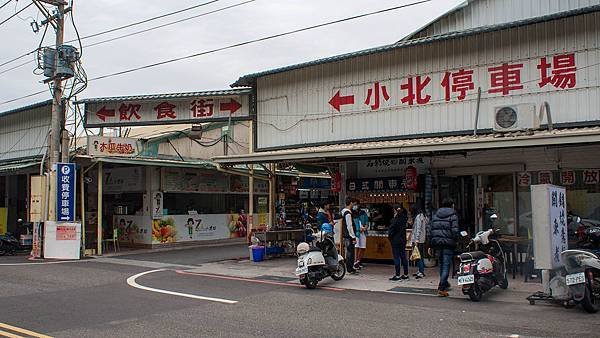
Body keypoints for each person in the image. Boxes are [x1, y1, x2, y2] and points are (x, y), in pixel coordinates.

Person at [427, 198, 460, 297]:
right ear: (452, 205)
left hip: (437, 243)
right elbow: (454, 231)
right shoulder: (453, 215)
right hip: (448, 243)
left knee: (441, 264)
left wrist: (431, 243)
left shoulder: (436, 214)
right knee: (446, 265)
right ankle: (441, 287)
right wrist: (456, 240)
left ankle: (444, 283)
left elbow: (431, 229)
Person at [388, 206, 409, 281]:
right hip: (403, 240)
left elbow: (391, 231)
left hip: (395, 241)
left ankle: (397, 275)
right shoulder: (404, 219)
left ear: (395, 211)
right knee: (403, 257)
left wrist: (390, 238)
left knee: (396, 257)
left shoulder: (394, 220)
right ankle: (406, 274)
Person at [410, 205, 428, 279]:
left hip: (418, 239)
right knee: (420, 255)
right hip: (422, 239)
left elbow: (418, 229)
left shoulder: (418, 217)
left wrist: (416, 239)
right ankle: (421, 270)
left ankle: (421, 271)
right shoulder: (424, 216)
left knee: (418, 256)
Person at [341, 197, 358, 274]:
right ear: (351, 203)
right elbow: (349, 226)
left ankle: (350, 268)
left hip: (346, 235)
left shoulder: (343, 212)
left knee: (349, 252)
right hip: (349, 236)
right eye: (354, 203)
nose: (355, 205)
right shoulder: (347, 213)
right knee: (350, 252)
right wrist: (353, 236)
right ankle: (350, 268)